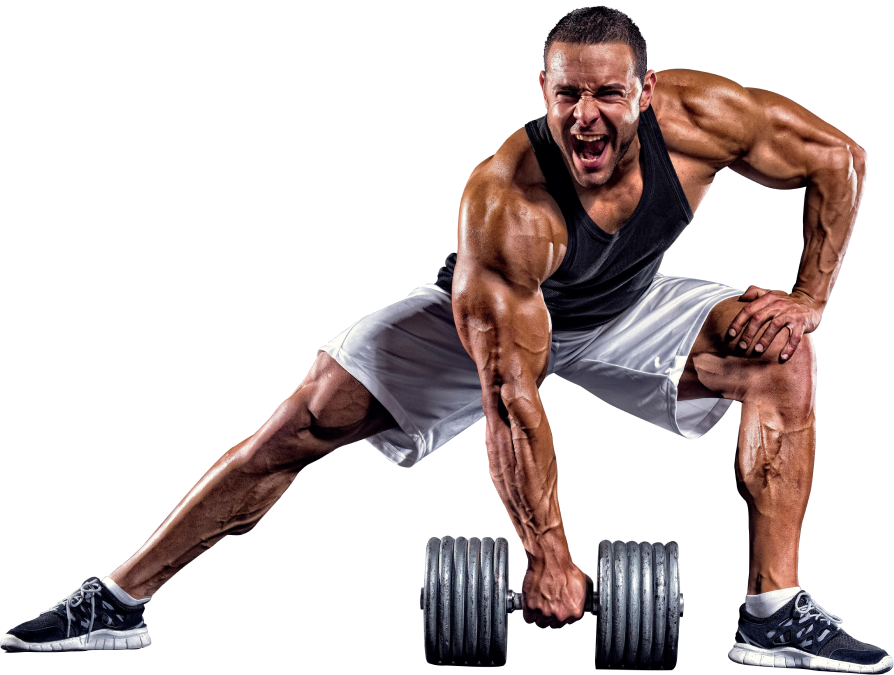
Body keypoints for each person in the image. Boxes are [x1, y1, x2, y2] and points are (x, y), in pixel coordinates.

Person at [3, 6, 885, 671]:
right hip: (492, 320)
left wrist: (809, 298)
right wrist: (547, 556)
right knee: (299, 426)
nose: (587, 117)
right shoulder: (506, 205)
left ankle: (774, 613)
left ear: (646, 92)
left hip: (625, 305)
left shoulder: (707, 119)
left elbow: (840, 159)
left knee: (784, 356)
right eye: (568, 94)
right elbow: (511, 398)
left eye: (609, 93)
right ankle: (117, 600)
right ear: (543, 91)